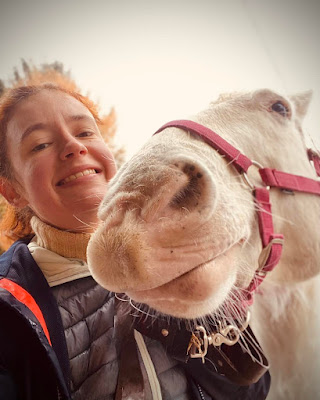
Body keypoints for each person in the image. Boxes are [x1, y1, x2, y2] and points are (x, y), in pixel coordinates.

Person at [0, 83, 271, 400]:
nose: (73, 146)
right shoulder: (8, 310)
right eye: (41, 144)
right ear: (12, 192)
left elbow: (251, 390)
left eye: (85, 133)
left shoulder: (178, 247)